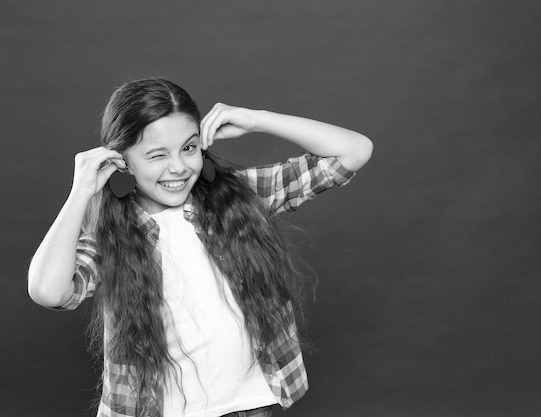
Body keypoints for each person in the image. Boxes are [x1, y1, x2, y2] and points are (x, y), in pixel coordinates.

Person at [28, 77, 373, 417]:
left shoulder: (238, 198)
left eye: (188, 148)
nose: (178, 166)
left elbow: (354, 152)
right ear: (121, 161)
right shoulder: (111, 235)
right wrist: (81, 191)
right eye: (157, 154)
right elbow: (48, 291)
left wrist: (257, 120)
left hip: (248, 408)